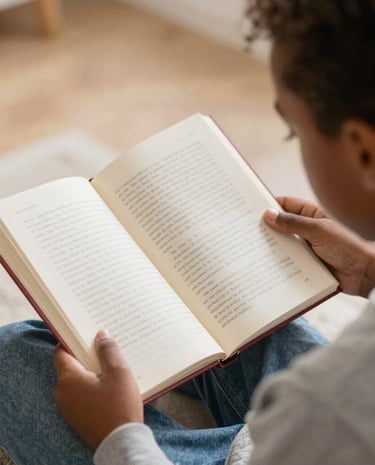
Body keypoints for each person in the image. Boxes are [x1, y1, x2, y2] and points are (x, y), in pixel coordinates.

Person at [1, 0, 375, 463]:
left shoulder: (327, 405)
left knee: (11, 357)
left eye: (293, 131)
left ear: (363, 152)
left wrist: (117, 434)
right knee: (244, 317)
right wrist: (367, 270)